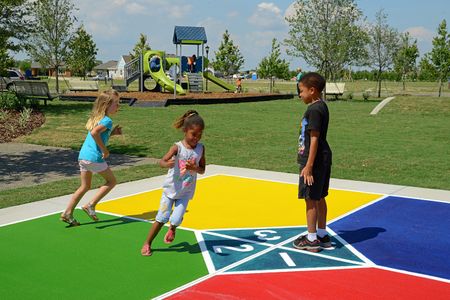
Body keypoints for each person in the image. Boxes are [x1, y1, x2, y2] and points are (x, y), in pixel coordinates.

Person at [141, 110, 206, 256]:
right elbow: (162, 162)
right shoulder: (177, 147)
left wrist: (193, 167)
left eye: (200, 135)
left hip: (185, 192)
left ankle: (173, 228)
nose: (196, 138)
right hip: (171, 190)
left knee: (175, 219)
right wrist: (167, 164)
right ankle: (148, 242)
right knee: (162, 217)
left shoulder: (201, 149)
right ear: (185, 131)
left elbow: (202, 170)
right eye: (193, 134)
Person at [60, 89, 122, 226]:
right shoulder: (107, 121)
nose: (118, 106)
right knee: (111, 181)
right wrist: (105, 150)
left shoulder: (96, 118)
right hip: (94, 158)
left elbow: (98, 135)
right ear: (106, 105)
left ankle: (67, 213)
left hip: (83, 156)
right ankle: (91, 205)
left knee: (85, 186)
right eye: (116, 104)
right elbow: (95, 133)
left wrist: (112, 134)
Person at [293, 72, 332, 252]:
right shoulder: (321, 106)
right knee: (320, 196)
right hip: (322, 159)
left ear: (312, 90)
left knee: (310, 198)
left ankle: (311, 239)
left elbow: (314, 138)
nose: (300, 95)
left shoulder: (314, 110)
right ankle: (322, 234)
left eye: (301, 91)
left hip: (314, 161)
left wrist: (308, 166)